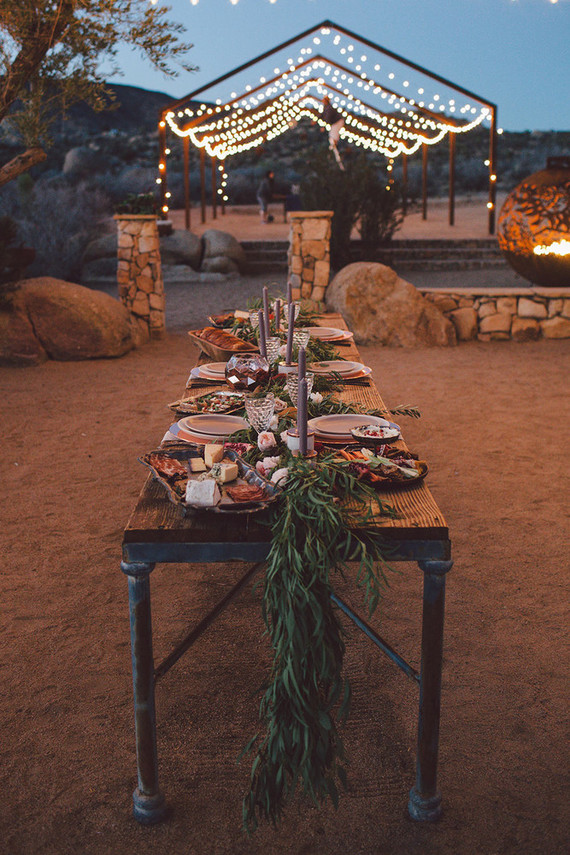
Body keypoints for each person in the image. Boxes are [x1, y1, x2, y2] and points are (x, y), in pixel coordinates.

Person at [321, 96, 345, 171]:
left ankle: (334, 147)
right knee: (332, 135)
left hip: (337, 122)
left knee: (332, 135)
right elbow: (322, 115)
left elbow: (327, 117)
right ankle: (333, 147)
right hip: (337, 122)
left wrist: (323, 126)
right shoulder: (326, 108)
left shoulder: (329, 108)